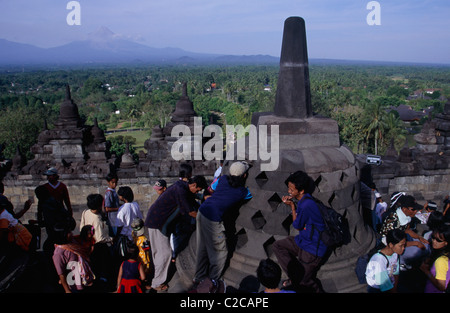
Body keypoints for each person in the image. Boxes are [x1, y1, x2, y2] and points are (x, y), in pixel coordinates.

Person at [144, 175, 207, 291]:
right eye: (198, 189)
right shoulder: (180, 190)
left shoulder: (182, 187)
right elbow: (190, 211)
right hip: (158, 223)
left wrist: (204, 197)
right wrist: (206, 219)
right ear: (193, 185)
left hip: (158, 222)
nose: (197, 191)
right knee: (165, 253)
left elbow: (192, 199)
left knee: (160, 253)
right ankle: (157, 283)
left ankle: (156, 280)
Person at [193, 161, 252, 284]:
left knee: (202, 247)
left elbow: (211, 188)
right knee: (220, 252)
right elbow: (249, 197)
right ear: (245, 176)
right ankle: (213, 280)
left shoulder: (223, 179)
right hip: (213, 218)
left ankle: (198, 277)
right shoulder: (243, 192)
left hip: (202, 210)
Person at [272, 170, 327, 293]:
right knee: (278, 246)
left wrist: (292, 206)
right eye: (289, 188)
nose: (289, 192)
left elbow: (297, 225)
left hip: (312, 248)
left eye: (292, 190)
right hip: (303, 240)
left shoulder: (306, 205)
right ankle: (294, 276)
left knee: (303, 281)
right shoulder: (305, 200)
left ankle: (303, 282)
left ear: (301, 191)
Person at [379, 194, 429, 269]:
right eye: (413, 209)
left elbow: (407, 230)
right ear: (404, 209)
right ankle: (402, 262)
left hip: (402, 239)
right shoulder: (393, 221)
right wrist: (416, 243)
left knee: (426, 245)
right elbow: (396, 242)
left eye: (416, 209)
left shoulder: (407, 216)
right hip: (392, 244)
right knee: (417, 251)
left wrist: (419, 237)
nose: (415, 211)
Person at [80, 194, 114, 288]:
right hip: (97, 245)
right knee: (101, 264)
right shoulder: (97, 219)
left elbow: (81, 228)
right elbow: (100, 238)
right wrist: (111, 239)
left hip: (87, 243)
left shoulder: (85, 212)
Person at [52, 225, 95, 293]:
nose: (72, 233)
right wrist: (67, 290)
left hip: (83, 280)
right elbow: (61, 273)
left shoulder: (72, 242)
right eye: (69, 232)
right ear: (63, 235)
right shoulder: (58, 253)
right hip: (73, 285)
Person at [35, 184, 74, 256]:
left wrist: (41, 222)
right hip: (58, 229)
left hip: (57, 229)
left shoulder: (47, 203)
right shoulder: (51, 200)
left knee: (51, 247)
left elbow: (51, 220)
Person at [365, 229, 406, 293]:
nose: (403, 248)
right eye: (401, 246)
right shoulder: (378, 261)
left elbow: (396, 273)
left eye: (404, 245)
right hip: (378, 289)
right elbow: (383, 285)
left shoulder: (395, 253)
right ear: (391, 245)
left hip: (390, 284)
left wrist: (395, 289)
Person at [420, 224, 450, 293]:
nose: (434, 241)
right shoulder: (445, 256)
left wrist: (426, 271)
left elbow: (442, 286)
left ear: (446, 243)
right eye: (433, 237)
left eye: (438, 240)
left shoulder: (440, 261)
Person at [131, 217, 152, 289]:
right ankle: (144, 284)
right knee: (145, 269)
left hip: (137, 255)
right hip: (144, 256)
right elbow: (147, 249)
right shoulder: (144, 238)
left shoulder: (133, 233)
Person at [104, 172, 120, 237]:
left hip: (116, 219)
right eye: (112, 182)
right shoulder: (109, 193)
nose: (115, 184)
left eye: (116, 182)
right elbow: (107, 208)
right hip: (112, 220)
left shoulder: (113, 191)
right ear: (108, 182)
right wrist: (118, 208)